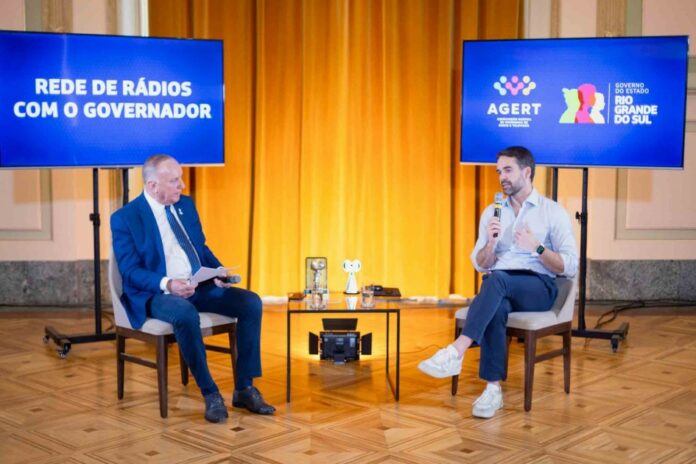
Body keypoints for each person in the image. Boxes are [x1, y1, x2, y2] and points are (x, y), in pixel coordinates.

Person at [111, 154, 275, 423]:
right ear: (152, 186)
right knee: (184, 313)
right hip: (157, 293)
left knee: (250, 302)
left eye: (182, 178)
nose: (183, 186)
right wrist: (168, 284)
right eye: (174, 180)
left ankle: (244, 388)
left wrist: (218, 272)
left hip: (196, 285)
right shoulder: (125, 218)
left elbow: (201, 248)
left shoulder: (185, 205)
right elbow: (130, 271)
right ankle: (210, 393)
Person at [418, 146, 578, 419]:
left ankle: (456, 351)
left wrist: (537, 248)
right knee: (496, 302)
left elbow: (570, 266)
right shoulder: (492, 212)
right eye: (498, 171)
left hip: (539, 286)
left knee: (496, 282)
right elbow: (480, 262)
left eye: (507, 170)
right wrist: (491, 244)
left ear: (526, 172)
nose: (501, 176)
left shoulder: (552, 212)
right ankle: (492, 390)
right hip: (500, 284)